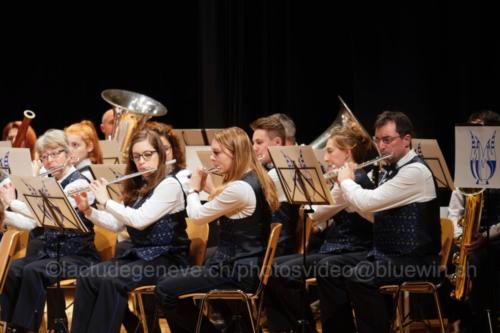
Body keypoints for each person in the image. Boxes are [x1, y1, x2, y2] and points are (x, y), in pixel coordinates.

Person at [323, 111, 441, 333]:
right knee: (330, 268)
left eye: (387, 140)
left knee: (359, 276)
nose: (381, 146)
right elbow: (375, 217)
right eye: (378, 140)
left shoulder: (415, 172)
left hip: (416, 260)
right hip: (387, 254)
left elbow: (368, 203)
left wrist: (347, 182)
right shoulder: (389, 171)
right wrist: (346, 192)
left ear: (406, 140)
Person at [154, 127, 279, 333]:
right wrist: (211, 190)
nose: (212, 158)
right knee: (169, 282)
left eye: (217, 153)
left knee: (164, 289)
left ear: (235, 153)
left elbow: (198, 216)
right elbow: (235, 209)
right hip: (244, 265)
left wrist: (193, 189)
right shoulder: (255, 177)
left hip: (236, 271)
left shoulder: (239, 188)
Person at [70, 129, 190, 333]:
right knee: (88, 276)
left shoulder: (170, 185)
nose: (142, 162)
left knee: (113, 281)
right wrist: (88, 211)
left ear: (160, 154)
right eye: (136, 157)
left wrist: (106, 201)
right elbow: (118, 224)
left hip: (168, 259)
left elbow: (140, 220)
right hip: (141, 257)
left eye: (147, 155)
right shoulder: (139, 185)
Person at [264, 124, 375, 333]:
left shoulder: (354, 180)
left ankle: (301, 326)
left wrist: (307, 183)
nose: (325, 159)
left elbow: (314, 214)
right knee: (272, 266)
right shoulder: (342, 180)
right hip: (336, 248)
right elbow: (323, 219)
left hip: (353, 251)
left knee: (283, 270)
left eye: (330, 151)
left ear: (348, 152)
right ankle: (290, 327)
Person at [0, 129, 99, 332]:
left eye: (54, 154)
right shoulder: (52, 183)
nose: (49, 160)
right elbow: (34, 223)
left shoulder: (79, 183)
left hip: (78, 256)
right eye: (44, 156)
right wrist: (3, 215)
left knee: (32, 271)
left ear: (69, 155)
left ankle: (24, 327)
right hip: (52, 255)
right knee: (14, 269)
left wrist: (12, 203)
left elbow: (47, 213)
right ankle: (8, 324)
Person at [447, 109, 500, 332]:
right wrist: (463, 238)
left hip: (496, 238)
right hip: (473, 241)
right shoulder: (466, 167)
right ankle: (467, 320)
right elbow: (454, 211)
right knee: (462, 262)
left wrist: (489, 235)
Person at [251, 116, 299, 255]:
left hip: (275, 248)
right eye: (253, 143)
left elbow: (245, 204)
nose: (254, 148)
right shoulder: (271, 170)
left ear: (277, 142)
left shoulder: (278, 173)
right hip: (265, 245)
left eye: (259, 142)